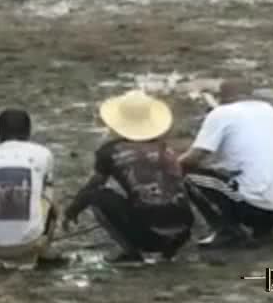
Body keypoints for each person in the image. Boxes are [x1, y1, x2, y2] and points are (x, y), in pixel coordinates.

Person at [63, 90, 193, 262]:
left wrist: (71, 211)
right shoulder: (166, 149)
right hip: (183, 229)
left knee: (98, 196)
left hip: (147, 232)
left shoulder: (110, 151)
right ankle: (168, 252)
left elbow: (93, 186)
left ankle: (132, 252)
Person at [178, 81, 273, 247]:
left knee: (186, 176)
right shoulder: (267, 109)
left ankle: (227, 231)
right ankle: (264, 229)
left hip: (253, 208)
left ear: (222, 97)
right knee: (242, 176)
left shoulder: (221, 114)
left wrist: (169, 165)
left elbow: (194, 158)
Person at [0, 109, 58, 265]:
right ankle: (44, 250)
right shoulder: (43, 154)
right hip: (30, 243)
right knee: (47, 191)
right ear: (29, 131)